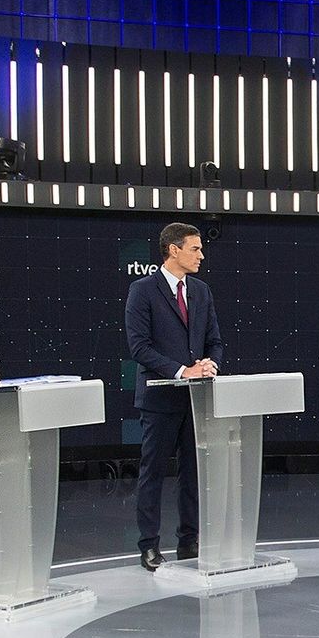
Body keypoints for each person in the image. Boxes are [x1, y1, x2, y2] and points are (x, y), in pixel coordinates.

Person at [126, 222, 226, 571]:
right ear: (173, 250)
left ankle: (190, 540)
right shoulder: (143, 290)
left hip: (195, 401)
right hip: (159, 400)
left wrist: (210, 363)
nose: (201, 255)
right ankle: (149, 545)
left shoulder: (201, 291)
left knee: (193, 473)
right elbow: (139, 347)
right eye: (195, 249)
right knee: (152, 472)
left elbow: (213, 339)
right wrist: (182, 371)